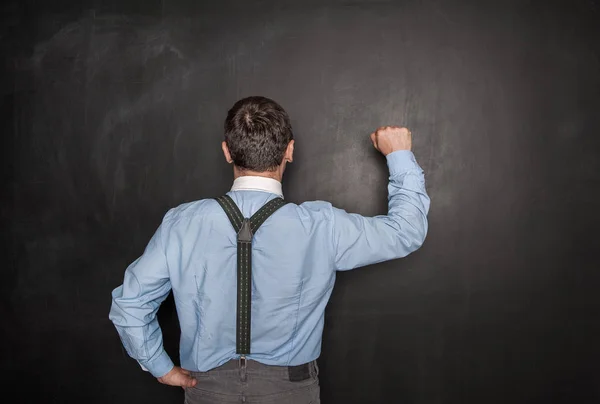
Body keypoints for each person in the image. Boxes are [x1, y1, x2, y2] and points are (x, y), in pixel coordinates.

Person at [109, 96, 430, 403]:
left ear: (226, 151)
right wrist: (398, 154)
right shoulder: (322, 224)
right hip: (289, 390)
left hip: (207, 389)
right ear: (289, 150)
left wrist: (160, 367)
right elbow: (406, 232)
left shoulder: (182, 221)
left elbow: (130, 304)